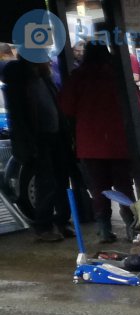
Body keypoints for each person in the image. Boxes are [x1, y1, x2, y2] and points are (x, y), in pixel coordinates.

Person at [58, 42, 139, 244]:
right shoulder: (118, 76)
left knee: (98, 189)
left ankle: (104, 230)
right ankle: (131, 227)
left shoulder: (77, 77)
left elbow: (66, 108)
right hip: (119, 140)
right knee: (124, 187)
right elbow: (135, 102)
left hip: (90, 143)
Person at [1, 56, 72, 241]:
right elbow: (21, 118)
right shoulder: (21, 84)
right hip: (38, 139)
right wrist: (28, 143)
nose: (48, 62)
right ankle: (44, 226)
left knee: (60, 180)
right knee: (46, 182)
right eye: (43, 59)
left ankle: (61, 221)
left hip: (54, 135)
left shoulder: (44, 80)